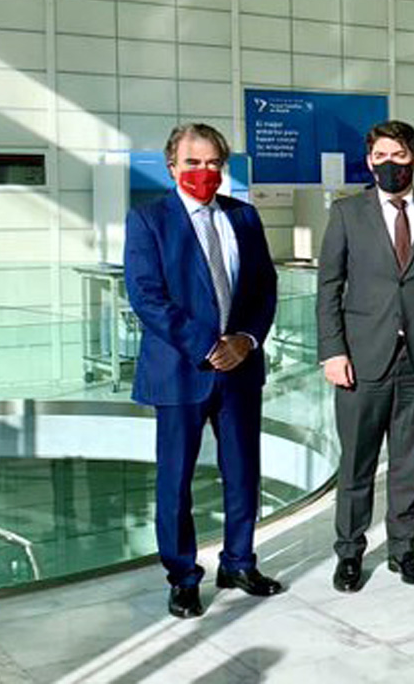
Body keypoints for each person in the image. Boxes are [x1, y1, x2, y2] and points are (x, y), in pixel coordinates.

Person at [124, 123, 282, 619]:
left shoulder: (245, 217)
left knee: (242, 473)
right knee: (176, 480)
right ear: (172, 167)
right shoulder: (150, 220)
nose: (204, 172)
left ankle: (238, 562)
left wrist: (246, 340)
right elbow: (146, 296)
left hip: (239, 371)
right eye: (193, 163)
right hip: (179, 371)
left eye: (213, 162)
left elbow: (264, 289)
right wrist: (208, 345)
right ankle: (183, 576)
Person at [317, 119, 414, 592]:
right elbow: (329, 287)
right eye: (380, 157)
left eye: (398, 156)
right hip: (360, 358)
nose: (388, 164)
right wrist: (332, 351)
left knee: (409, 463)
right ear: (369, 161)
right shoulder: (347, 214)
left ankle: (403, 549)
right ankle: (350, 552)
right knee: (356, 463)